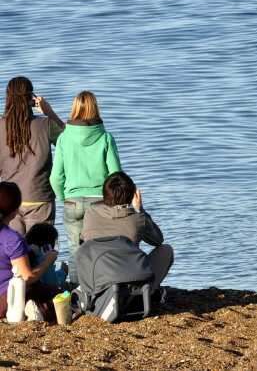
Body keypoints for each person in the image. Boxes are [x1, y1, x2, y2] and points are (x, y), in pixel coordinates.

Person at [49, 91, 121, 281]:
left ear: (74, 109)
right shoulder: (106, 138)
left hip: (72, 201)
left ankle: (76, 295)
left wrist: (65, 198)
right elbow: (116, 177)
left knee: (75, 252)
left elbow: (56, 177)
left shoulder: (64, 138)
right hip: (101, 202)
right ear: (95, 109)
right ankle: (101, 291)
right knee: (102, 251)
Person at [81, 171, 173, 292]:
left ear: (104, 194)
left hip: (97, 282)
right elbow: (158, 240)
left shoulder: (90, 214)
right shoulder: (137, 219)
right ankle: (146, 292)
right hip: (130, 284)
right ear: (132, 195)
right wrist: (140, 210)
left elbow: (82, 240)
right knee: (165, 250)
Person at [0, 77, 64, 235]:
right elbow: (71, 142)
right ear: (31, 99)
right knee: (40, 252)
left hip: (8, 200)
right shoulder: (46, 125)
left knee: (13, 255)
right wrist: (49, 112)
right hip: (39, 198)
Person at [0, 182, 59, 322]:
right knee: (56, 294)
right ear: (15, 211)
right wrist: (48, 260)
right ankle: (32, 310)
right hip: (6, 297)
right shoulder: (11, 239)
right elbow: (27, 277)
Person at [25, 223, 68, 288]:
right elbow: (52, 283)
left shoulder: (26, 253)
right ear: (48, 246)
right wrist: (63, 272)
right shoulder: (44, 259)